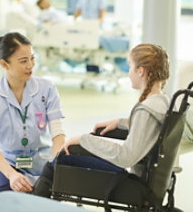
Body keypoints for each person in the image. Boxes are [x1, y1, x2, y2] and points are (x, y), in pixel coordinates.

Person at [33, 43, 170, 197]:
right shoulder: (162, 102)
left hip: (131, 183)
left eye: (130, 67)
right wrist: (121, 123)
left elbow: (125, 157)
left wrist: (84, 140)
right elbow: (146, 131)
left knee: (63, 158)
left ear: (141, 71)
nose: (128, 73)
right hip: (145, 179)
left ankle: (34, 203)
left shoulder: (146, 110)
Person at [0, 32, 66, 193]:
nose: (30, 65)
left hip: (43, 162)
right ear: (5, 64)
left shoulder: (47, 89)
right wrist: (12, 175)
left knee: (43, 197)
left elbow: (58, 134)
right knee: (4, 196)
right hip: (9, 164)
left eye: (32, 58)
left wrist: (53, 169)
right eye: (23, 61)